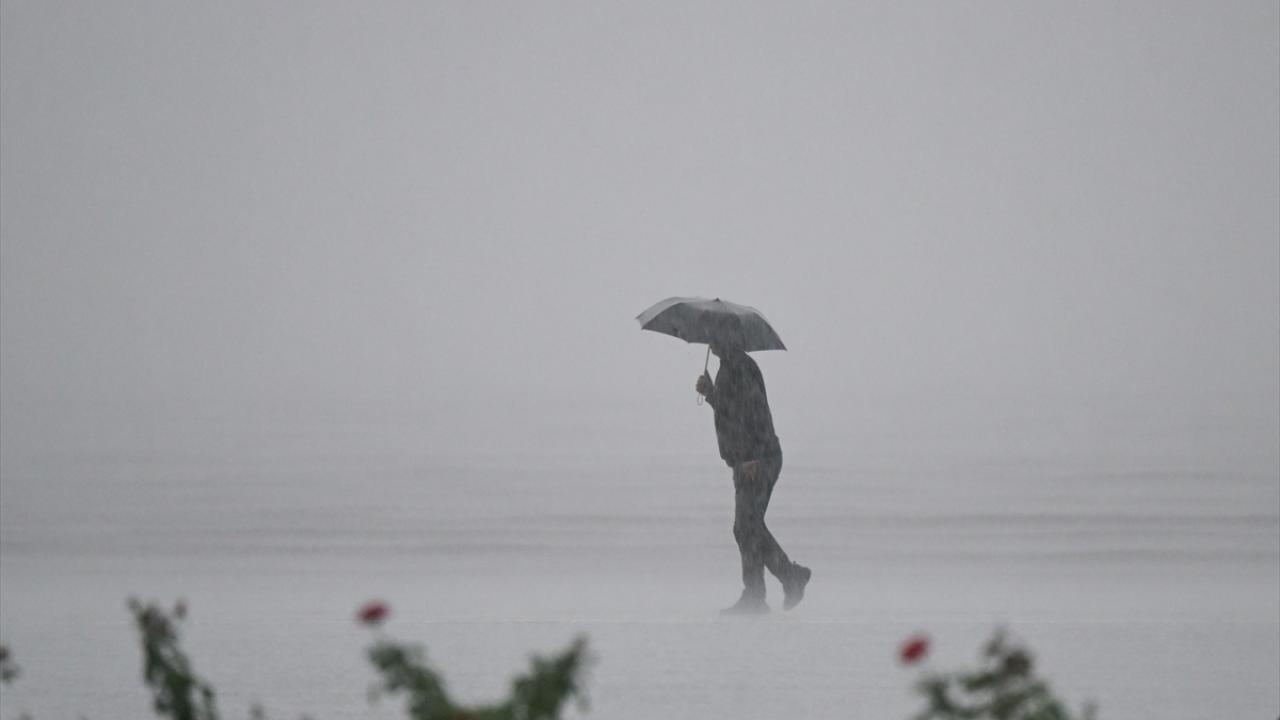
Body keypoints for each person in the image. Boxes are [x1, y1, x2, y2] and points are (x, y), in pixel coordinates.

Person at [696, 344, 811, 614]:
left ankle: (783, 580)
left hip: (758, 460)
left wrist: (753, 456)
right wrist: (711, 393)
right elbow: (730, 410)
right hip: (747, 460)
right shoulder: (728, 366)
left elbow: (753, 412)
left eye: (714, 334)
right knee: (746, 528)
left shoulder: (741, 367)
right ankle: (760, 593)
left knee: (748, 526)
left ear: (726, 336)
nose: (711, 342)